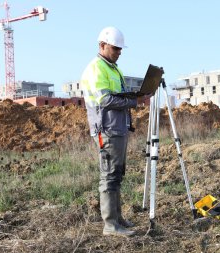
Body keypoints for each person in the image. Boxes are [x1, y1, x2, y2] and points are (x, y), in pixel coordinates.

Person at [81, 27, 151, 237]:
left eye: (120, 49)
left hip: (117, 128)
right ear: (102, 45)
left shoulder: (113, 68)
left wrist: (134, 96)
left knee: (117, 174)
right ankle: (110, 225)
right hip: (106, 130)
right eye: (115, 48)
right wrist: (134, 101)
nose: (119, 52)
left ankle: (118, 219)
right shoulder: (96, 69)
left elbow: (116, 95)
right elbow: (105, 99)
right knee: (109, 176)